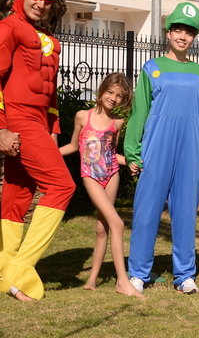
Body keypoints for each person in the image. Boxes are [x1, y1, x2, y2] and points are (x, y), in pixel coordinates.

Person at [0, 0, 75, 301]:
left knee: (18, 194)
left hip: (37, 121)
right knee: (62, 186)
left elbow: (50, 92)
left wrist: (53, 131)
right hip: (18, 117)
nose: (41, 4)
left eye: (47, 1)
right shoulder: (6, 28)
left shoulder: (46, 39)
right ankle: (21, 269)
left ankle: (2, 274)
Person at [124, 2, 199, 295]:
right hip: (156, 148)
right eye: (178, 30)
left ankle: (185, 275)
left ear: (194, 37)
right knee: (146, 211)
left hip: (189, 151)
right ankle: (138, 273)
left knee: (186, 212)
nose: (183, 36)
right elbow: (139, 113)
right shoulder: (151, 68)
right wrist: (132, 151)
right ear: (168, 33)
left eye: (189, 32)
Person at [58, 72, 142, 299]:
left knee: (102, 227)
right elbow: (73, 146)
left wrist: (131, 162)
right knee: (117, 223)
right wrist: (50, 155)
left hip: (111, 174)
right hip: (90, 176)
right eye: (110, 92)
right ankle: (122, 281)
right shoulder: (82, 116)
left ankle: (92, 279)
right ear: (102, 90)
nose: (113, 98)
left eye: (119, 96)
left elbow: (112, 154)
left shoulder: (117, 123)